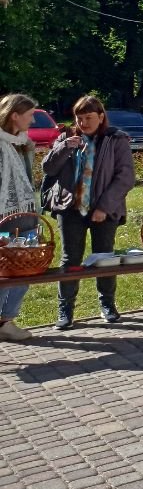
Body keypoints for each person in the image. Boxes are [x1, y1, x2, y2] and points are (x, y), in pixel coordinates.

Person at [42, 97, 136, 329]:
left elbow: (125, 177)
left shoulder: (116, 140)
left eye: (89, 118)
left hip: (104, 209)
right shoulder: (66, 138)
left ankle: (107, 304)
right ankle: (65, 310)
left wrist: (104, 207)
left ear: (101, 117)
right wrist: (64, 147)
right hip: (70, 208)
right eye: (79, 118)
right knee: (70, 259)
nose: (83, 123)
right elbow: (48, 168)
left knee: (104, 257)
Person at [0, 93, 39, 341]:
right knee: (3, 274)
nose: (33, 120)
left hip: (27, 217)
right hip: (4, 219)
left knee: (24, 273)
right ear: (15, 115)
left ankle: (6, 321)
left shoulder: (23, 143)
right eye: (29, 115)